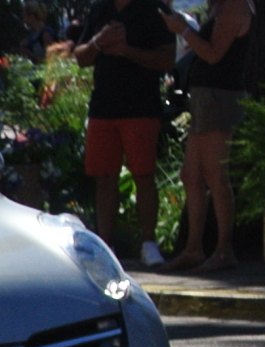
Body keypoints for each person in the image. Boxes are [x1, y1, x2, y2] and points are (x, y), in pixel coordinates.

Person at [70, 0, 174, 266]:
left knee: (143, 175)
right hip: (103, 107)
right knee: (104, 178)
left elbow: (166, 58)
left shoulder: (153, 10)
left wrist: (126, 51)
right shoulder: (99, 9)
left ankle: (149, 245)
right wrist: (99, 42)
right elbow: (80, 57)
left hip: (141, 106)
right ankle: (106, 246)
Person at [164, 0, 249, 270]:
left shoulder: (234, 7)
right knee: (191, 175)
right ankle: (194, 249)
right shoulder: (219, 7)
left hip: (219, 98)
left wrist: (183, 31)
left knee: (215, 175)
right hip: (205, 97)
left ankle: (224, 250)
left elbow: (214, 55)